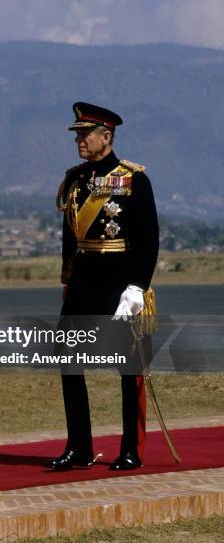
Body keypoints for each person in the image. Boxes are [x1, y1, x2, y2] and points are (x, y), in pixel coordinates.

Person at [50, 102, 159, 471]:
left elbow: (148, 239)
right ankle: (79, 447)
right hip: (83, 283)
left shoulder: (133, 179)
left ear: (106, 137)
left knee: (128, 370)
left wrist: (137, 287)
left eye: (86, 134)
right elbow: (71, 236)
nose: (79, 140)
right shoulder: (75, 178)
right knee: (69, 364)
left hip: (118, 283)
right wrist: (67, 280)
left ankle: (131, 449)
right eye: (78, 134)